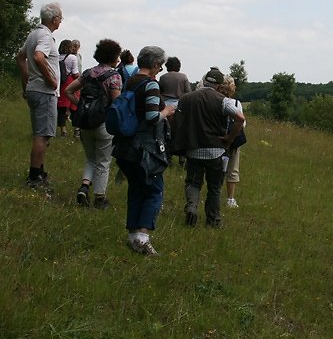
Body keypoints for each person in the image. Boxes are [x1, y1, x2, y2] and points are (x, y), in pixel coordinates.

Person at [113, 46, 175, 256]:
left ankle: (132, 236)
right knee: (153, 191)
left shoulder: (129, 81)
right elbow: (151, 117)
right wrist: (166, 111)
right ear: (156, 64)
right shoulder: (151, 86)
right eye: (160, 65)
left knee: (136, 190)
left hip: (124, 146)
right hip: (144, 148)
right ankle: (143, 237)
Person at [171, 67, 245, 227]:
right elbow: (240, 118)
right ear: (219, 85)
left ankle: (191, 207)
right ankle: (213, 220)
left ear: (204, 81)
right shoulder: (223, 101)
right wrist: (229, 138)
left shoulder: (187, 98)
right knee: (214, 187)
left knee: (193, 182)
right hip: (216, 151)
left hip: (193, 148)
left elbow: (173, 115)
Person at [65, 39, 122, 209]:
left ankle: (84, 187)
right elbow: (117, 103)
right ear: (112, 56)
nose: (118, 60)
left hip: (85, 121)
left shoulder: (89, 73)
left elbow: (68, 90)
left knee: (90, 158)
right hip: (103, 123)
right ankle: (100, 197)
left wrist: (79, 105)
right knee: (103, 162)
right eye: (117, 56)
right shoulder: (114, 77)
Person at [16, 2, 63, 192]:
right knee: (42, 135)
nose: (61, 21)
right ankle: (35, 176)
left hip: (34, 89)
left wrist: (26, 81)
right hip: (44, 92)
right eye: (60, 18)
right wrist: (51, 80)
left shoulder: (34, 33)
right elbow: (38, 57)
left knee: (41, 133)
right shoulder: (45, 36)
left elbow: (20, 57)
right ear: (54, 19)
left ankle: (40, 171)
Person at [219, 76, 246, 209]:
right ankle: (230, 199)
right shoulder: (236, 103)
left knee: (217, 168)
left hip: (217, 139)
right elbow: (243, 123)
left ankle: (215, 194)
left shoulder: (216, 101)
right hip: (233, 141)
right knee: (232, 169)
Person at [56, 39, 79, 138]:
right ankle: (76, 129)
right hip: (71, 82)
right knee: (75, 106)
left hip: (60, 83)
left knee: (61, 107)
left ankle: (63, 130)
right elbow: (75, 73)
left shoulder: (56, 58)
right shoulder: (73, 58)